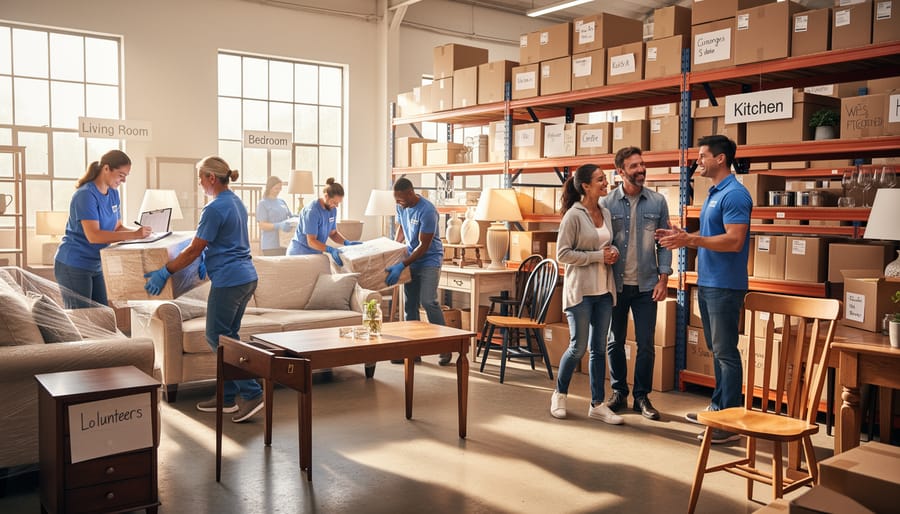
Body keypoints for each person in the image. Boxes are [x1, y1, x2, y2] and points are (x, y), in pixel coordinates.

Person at [143, 156, 264, 423]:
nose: (199, 184)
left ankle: (252, 392)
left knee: (215, 337)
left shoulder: (215, 208)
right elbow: (223, 241)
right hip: (246, 277)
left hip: (231, 280)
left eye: (200, 178)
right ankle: (228, 397)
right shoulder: (236, 202)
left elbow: (194, 249)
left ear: (211, 178)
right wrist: (207, 260)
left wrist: (166, 271)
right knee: (227, 337)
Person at [656, 135, 751, 444]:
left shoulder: (735, 194)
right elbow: (713, 233)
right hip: (710, 282)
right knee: (717, 350)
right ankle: (718, 409)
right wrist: (684, 234)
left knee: (726, 352)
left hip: (725, 285)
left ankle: (730, 423)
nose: (698, 161)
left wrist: (691, 241)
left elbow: (735, 241)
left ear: (720, 159)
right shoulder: (714, 193)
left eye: (703, 156)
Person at [600, 147, 672, 421]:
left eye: (642, 165)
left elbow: (664, 243)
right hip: (615, 285)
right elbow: (600, 241)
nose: (641, 170)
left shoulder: (657, 202)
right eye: (634, 166)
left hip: (646, 285)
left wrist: (664, 278)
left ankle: (642, 396)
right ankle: (619, 392)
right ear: (620, 172)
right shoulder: (606, 204)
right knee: (614, 342)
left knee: (646, 344)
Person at [551, 164, 622, 424]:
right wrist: (597, 256)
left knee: (599, 349)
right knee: (578, 347)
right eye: (601, 180)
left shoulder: (605, 211)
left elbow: (604, 243)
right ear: (586, 186)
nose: (606, 183)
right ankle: (559, 394)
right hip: (580, 292)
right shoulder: (573, 215)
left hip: (604, 290)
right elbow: (562, 254)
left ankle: (597, 404)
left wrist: (612, 251)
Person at [54, 150, 152, 308]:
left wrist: (142, 234)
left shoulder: (113, 193)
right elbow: (94, 236)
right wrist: (134, 235)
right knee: (83, 319)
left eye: (126, 176)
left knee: (103, 315)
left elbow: (117, 227)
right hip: (73, 264)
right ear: (106, 168)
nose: (124, 180)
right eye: (121, 175)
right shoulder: (85, 195)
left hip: (96, 264)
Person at [386, 178, 451, 366]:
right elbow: (402, 229)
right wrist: (393, 247)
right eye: (396, 200)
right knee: (410, 305)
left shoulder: (428, 211)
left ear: (410, 193)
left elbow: (424, 246)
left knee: (428, 301)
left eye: (400, 199)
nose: (398, 203)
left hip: (429, 260)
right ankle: (412, 351)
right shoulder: (402, 206)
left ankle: (445, 346)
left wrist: (402, 264)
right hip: (410, 259)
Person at [286, 178, 361, 263]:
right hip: (299, 255)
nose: (336, 206)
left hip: (316, 254)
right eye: (334, 202)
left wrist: (347, 243)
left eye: (338, 203)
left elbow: (333, 233)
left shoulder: (332, 209)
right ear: (326, 196)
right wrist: (330, 249)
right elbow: (311, 241)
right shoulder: (312, 211)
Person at [256, 175, 295, 256]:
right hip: (271, 246)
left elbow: (290, 216)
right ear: (269, 188)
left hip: (285, 243)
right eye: (276, 188)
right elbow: (262, 225)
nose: (278, 191)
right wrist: (279, 225)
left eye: (280, 188)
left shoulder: (282, 202)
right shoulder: (263, 203)